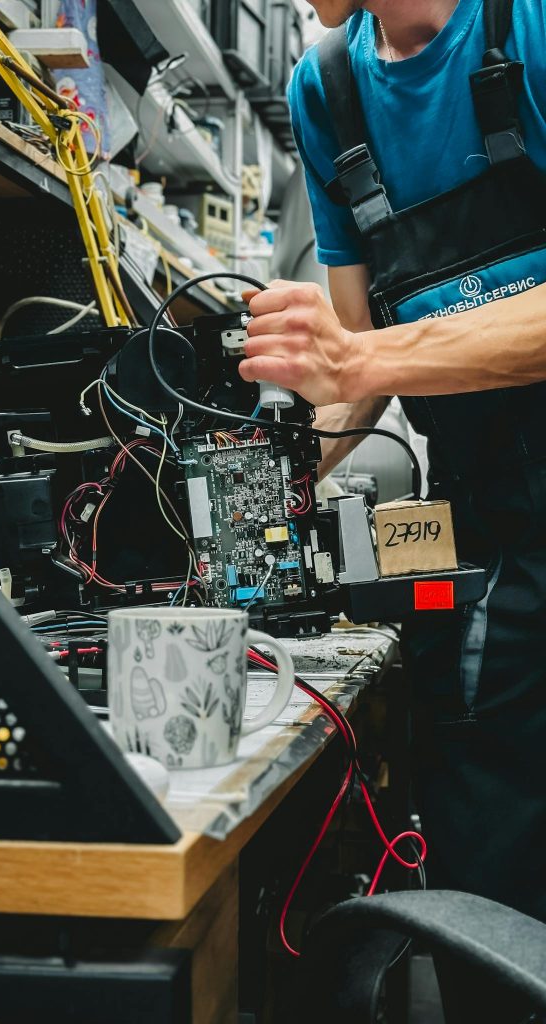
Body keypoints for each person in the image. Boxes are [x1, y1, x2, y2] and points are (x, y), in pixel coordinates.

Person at [239, 0, 546, 926]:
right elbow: (356, 350)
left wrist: (362, 358)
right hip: (489, 533)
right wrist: (260, 487)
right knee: (485, 847)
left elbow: (363, 354)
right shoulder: (326, 88)